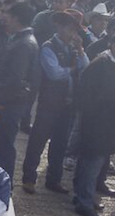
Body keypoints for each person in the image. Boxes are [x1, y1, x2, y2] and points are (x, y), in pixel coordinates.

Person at [22, 10, 89, 194]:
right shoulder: (48, 47)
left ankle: (54, 179)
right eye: (69, 29)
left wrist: (81, 51)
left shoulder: (74, 49)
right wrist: (72, 68)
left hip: (67, 103)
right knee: (38, 141)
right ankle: (28, 178)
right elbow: (53, 73)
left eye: (75, 31)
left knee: (60, 143)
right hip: (49, 102)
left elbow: (87, 69)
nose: (72, 34)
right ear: (60, 27)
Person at [74, 30, 115, 216]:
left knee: (92, 164)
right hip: (97, 125)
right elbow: (86, 94)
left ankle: (84, 197)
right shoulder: (101, 64)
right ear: (113, 45)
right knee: (91, 164)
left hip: (107, 125)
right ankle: (83, 201)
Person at [0, 1, 38, 182]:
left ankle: (2, 184)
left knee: (1, 147)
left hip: (8, 105)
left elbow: (14, 79)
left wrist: (0, 102)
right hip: (10, 102)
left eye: (9, 16)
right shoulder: (23, 40)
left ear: (17, 19)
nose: (6, 19)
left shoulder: (23, 44)